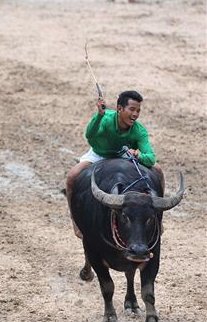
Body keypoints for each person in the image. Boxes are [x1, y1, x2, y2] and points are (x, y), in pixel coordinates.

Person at [65, 90, 162, 238]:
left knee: (158, 170)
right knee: (72, 176)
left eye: (138, 110)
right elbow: (89, 135)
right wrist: (99, 116)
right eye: (132, 109)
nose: (135, 114)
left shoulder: (139, 130)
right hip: (99, 154)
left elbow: (150, 158)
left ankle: (159, 219)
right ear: (119, 109)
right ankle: (75, 221)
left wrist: (138, 154)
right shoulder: (105, 118)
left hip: (122, 155)